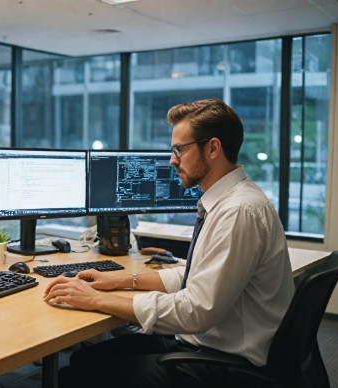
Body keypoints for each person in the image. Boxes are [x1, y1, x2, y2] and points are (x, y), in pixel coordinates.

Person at [44, 99, 294, 387]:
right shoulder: (229, 202)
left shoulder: (239, 212)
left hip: (224, 365)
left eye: (179, 149)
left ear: (213, 148)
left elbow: (195, 311)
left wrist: (96, 299)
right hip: (207, 343)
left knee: (77, 375)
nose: (172, 160)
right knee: (84, 360)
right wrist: (118, 281)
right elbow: (193, 276)